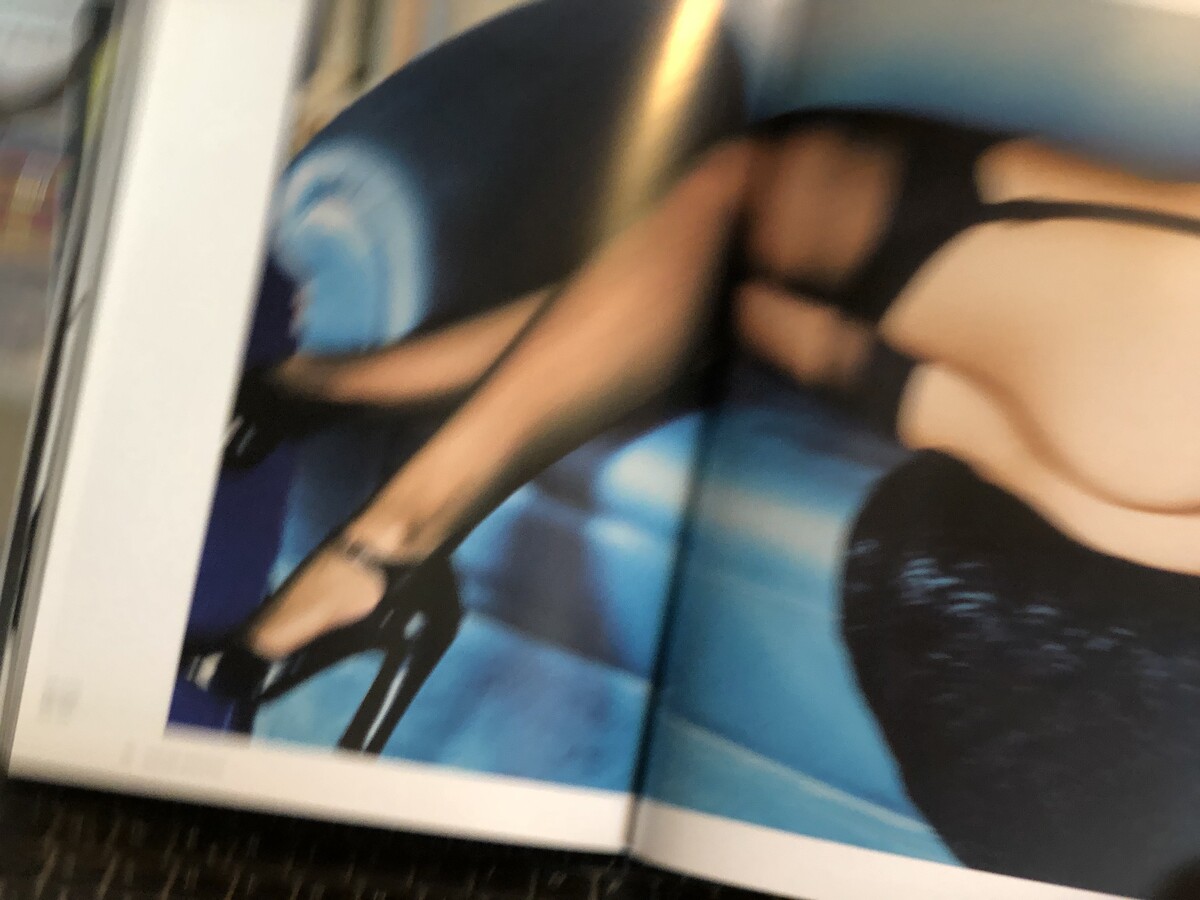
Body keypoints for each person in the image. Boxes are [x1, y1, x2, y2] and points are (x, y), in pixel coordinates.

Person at [184, 107, 1200, 889]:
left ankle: (371, 508)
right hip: (1034, 249)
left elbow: (934, 396)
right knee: (716, 245)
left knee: (720, 216)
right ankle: (339, 424)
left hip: (1044, 319)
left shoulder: (1134, 467)